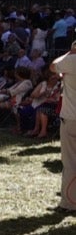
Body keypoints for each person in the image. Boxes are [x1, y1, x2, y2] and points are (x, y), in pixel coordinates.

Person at [51, 40, 76, 212]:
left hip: (72, 118)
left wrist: (70, 52)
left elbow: (53, 66)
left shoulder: (71, 60)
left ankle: (69, 203)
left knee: (70, 161)